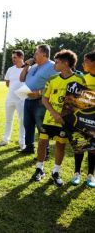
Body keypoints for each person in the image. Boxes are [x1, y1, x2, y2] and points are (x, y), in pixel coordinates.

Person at [31, 49, 85, 187]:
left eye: (57, 62)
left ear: (66, 63)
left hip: (64, 121)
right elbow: (45, 99)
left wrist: (64, 116)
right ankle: (39, 169)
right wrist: (54, 113)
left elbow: (80, 103)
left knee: (60, 145)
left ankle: (55, 172)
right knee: (42, 143)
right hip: (50, 118)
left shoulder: (79, 80)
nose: (54, 64)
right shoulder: (52, 79)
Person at [20, 44, 57, 158]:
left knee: (41, 127)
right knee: (28, 124)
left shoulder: (52, 66)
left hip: (40, 102)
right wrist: (26, 65)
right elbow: (22, 78)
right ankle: (29, 147)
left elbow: (56, 84)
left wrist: (40, 92)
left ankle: (45, 152)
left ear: (44, 54)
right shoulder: (34, 66)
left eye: (36, 53)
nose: (34, 55)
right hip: (28, 99)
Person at [71, 50, 95, 188]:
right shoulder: (83, 79)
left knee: (93, 148)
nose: (83, 63)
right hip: (82, 118)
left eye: (86, 61)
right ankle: (77, 173)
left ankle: (90, 175)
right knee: (80, 144)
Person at [0, 50, 26, 149]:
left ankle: (22, 142)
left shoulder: (28, 69)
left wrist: (21, 93)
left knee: (22, 121)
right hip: (10, 98)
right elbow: (7, 83)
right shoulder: (10, 69)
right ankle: (5, 139)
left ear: (21, 57)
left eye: (15, 57)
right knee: (8, 120)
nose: (13, 59)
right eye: (12, 57)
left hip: (22, 99)